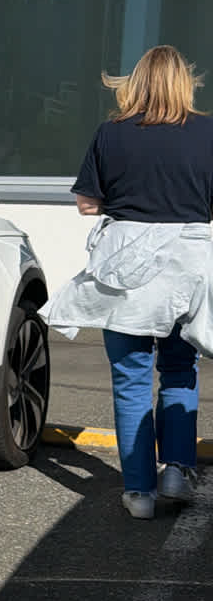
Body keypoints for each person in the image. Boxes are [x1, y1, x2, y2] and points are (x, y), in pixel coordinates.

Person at [42, 45, 213, 519]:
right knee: (180, 370)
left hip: (124, 272)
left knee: (130, 378)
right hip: (186, 270)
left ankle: (139, 493)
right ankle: (176, 469)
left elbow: (87, 204)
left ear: (135, 83)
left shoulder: (111, 133)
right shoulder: (207, 132)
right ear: (185, 84)